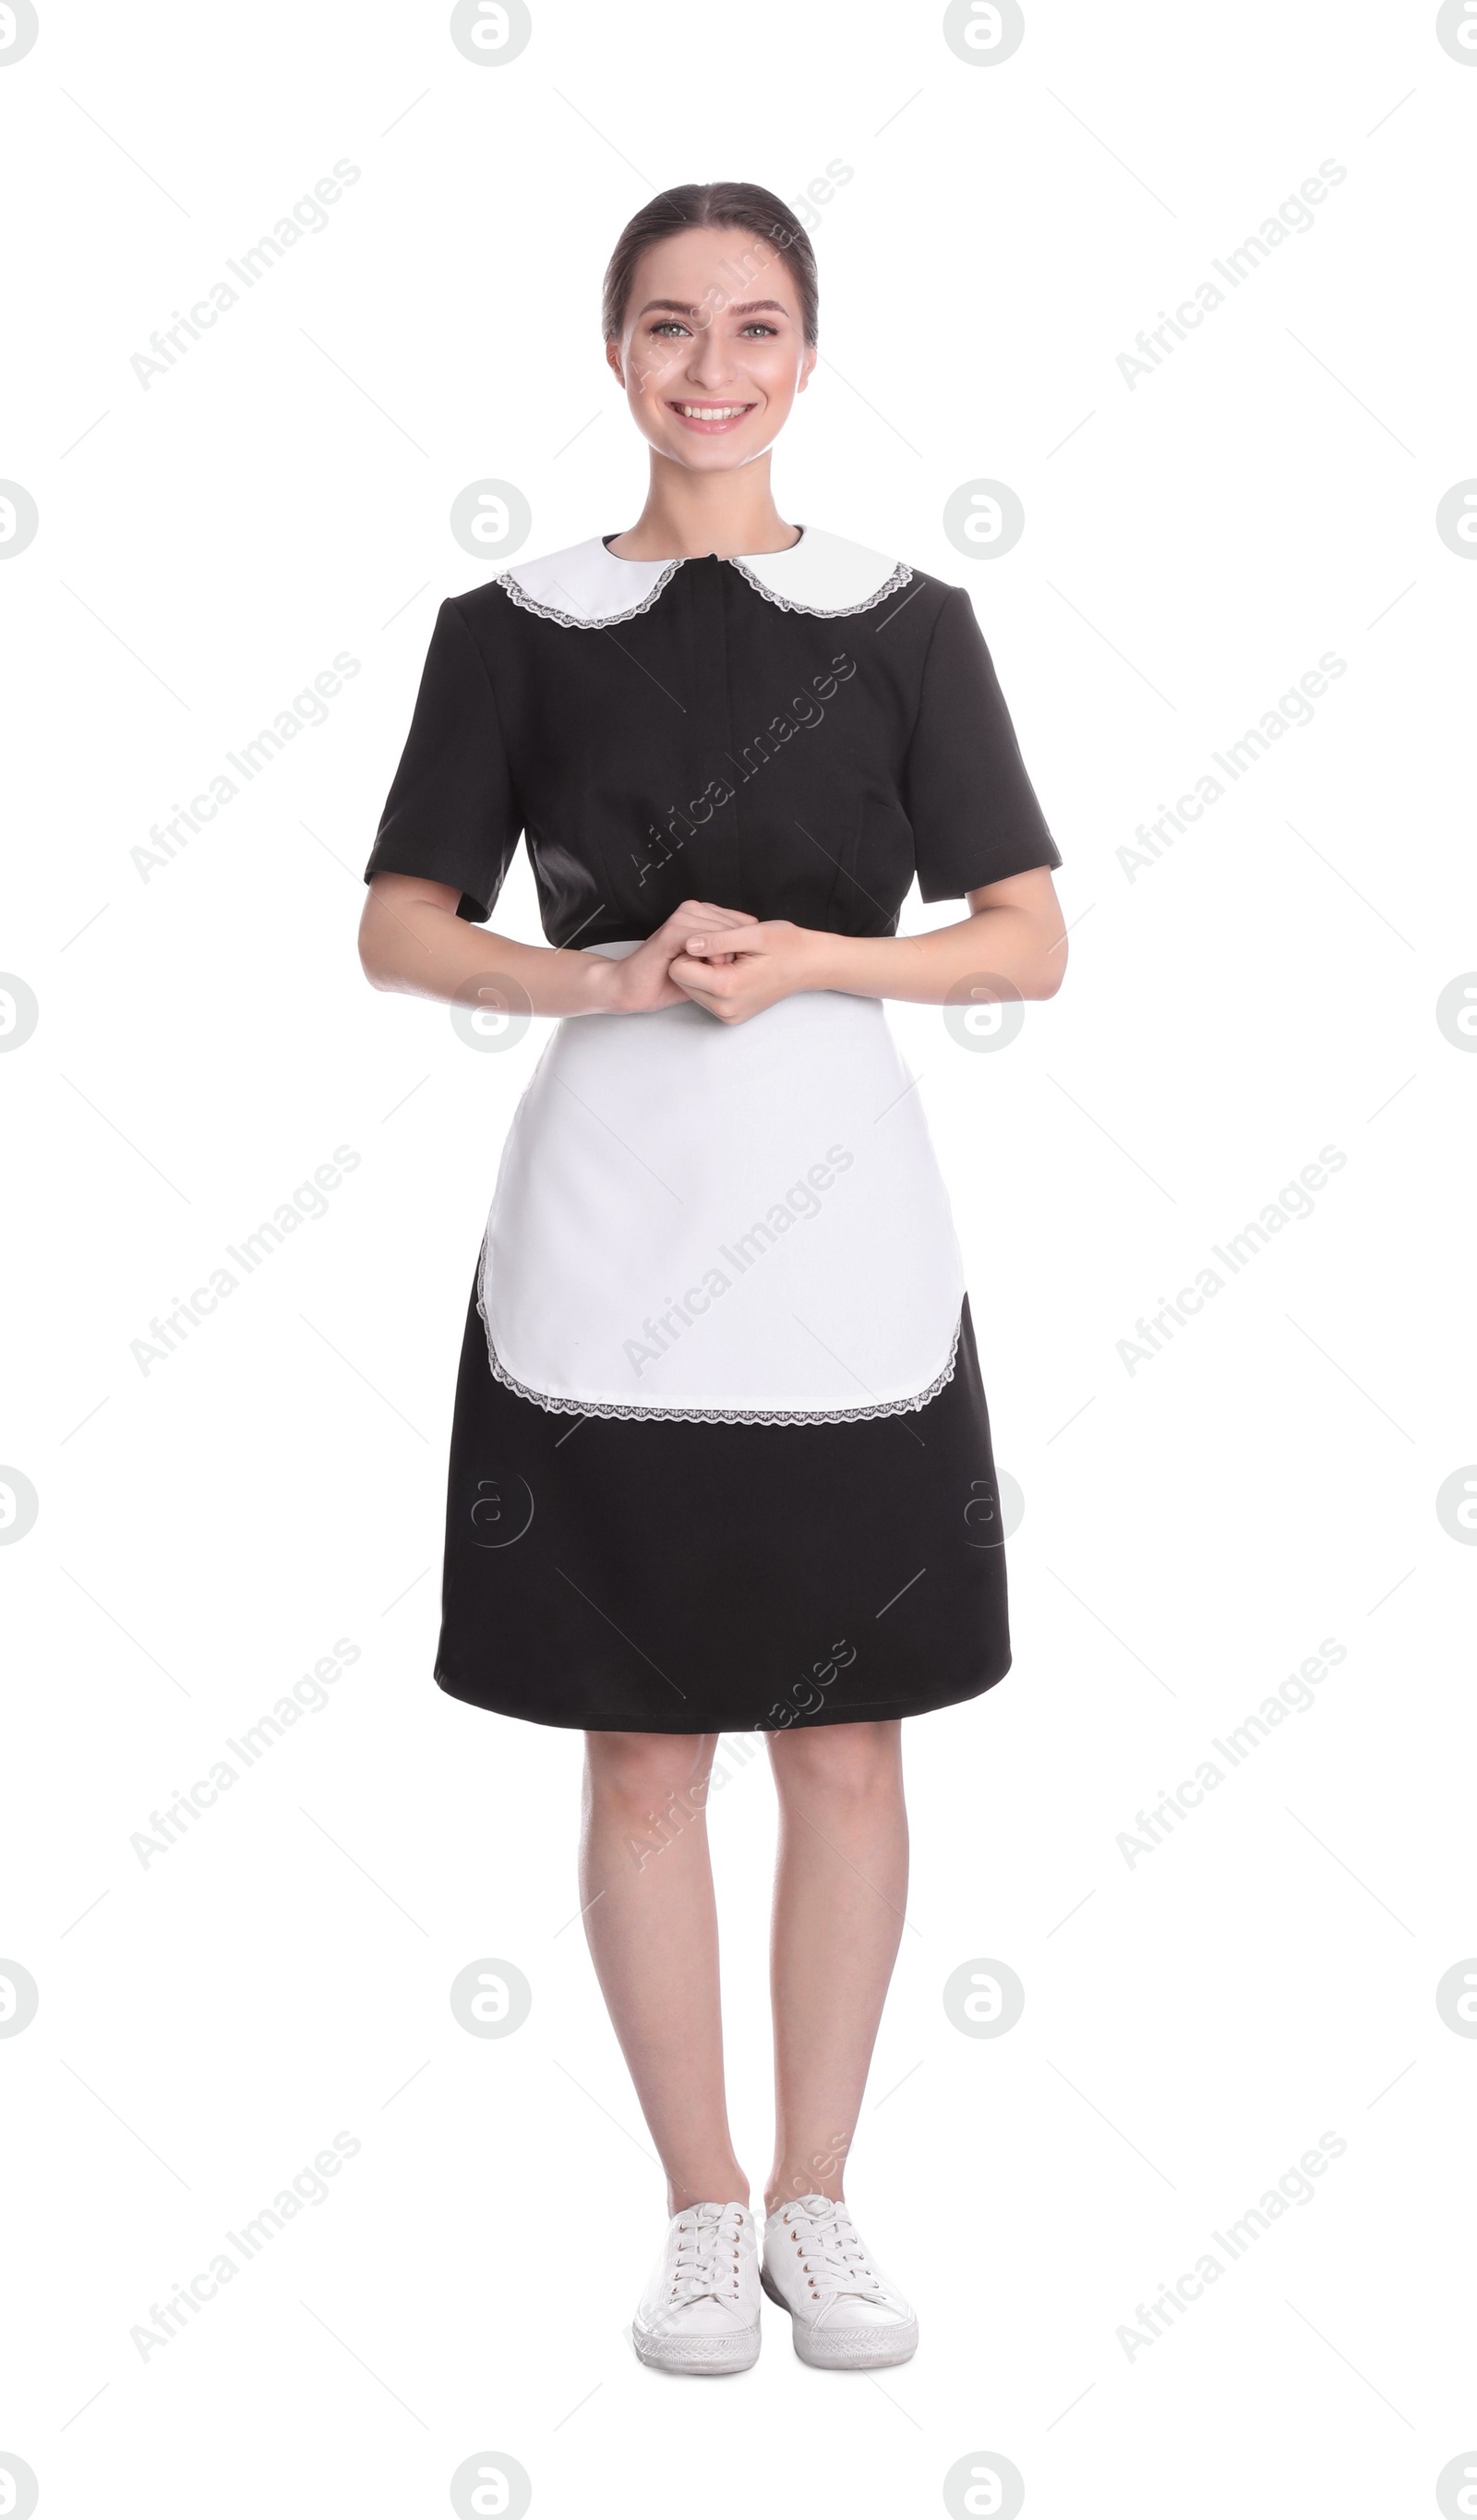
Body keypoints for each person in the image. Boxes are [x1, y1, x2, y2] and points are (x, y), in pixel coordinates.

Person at [358, 180, 1066, 2376]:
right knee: (645, 1753)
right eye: (669, 326)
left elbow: (1025, 934)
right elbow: (398, 922)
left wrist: (815, 962)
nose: (710, 367)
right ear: (611, 351)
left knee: (846, 1748)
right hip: (606, 1229)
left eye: (753, 327)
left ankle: (822, 2201)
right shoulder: (511, 624)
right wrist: (599, 972)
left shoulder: (905, 621)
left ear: (806, 354)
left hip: (843, 1235)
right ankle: (694, 2209)